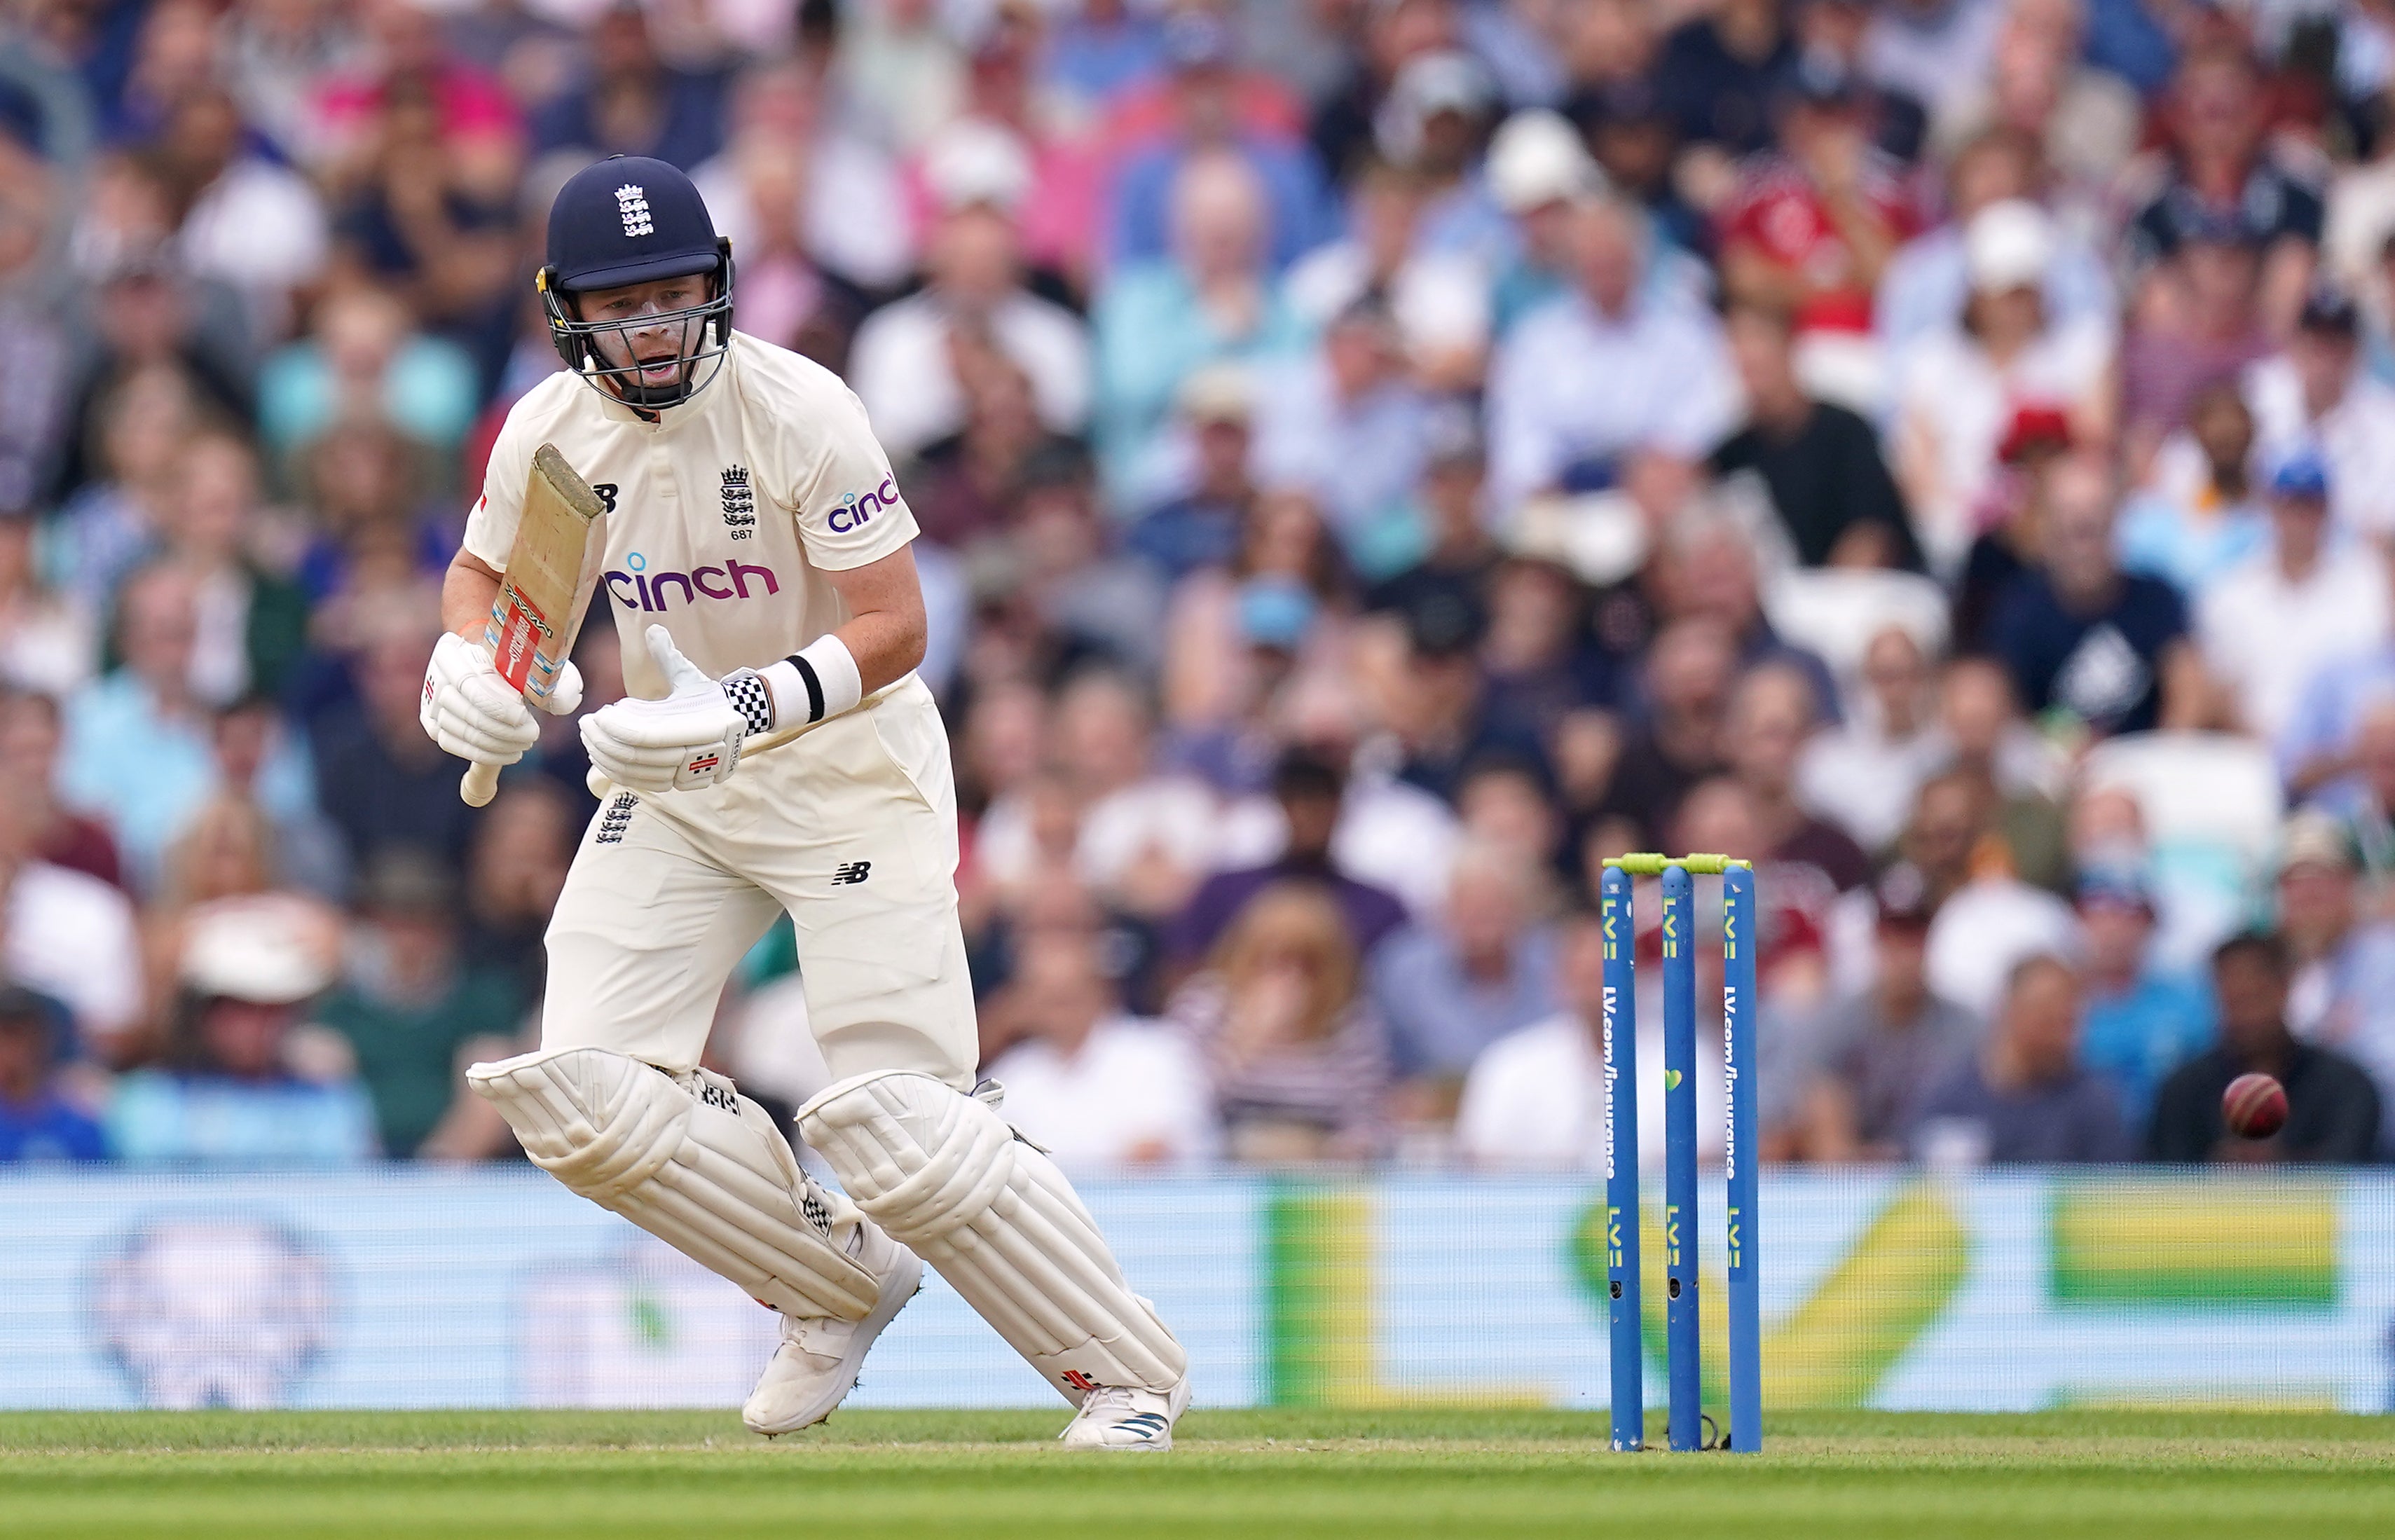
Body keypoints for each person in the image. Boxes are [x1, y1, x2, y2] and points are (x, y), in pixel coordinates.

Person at [420, 158, 1189, 1448]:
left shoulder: (799, 409)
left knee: (904, 1127)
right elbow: (496, 582)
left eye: (673, 295)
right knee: (587, 1098)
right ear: (567, 312)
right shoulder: (548, 430)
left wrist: (748, 706)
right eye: (622, 305)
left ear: (717, 287)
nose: (653, 327)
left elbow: (897, 626)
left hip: (845, 773)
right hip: (674, 784)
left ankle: (1125, 1376)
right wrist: (477, 661)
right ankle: (831, 1286)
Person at [106, 904, 375, 1165]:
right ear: (202, 1013)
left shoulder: (329, 1100)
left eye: (274, 1009)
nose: (259, 1026)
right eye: (241, 1008)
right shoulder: (150, 1100)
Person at [1167, 881, 1389, 1162]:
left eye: (1306, 963)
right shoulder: (1206, 1006)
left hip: (1315, 1175)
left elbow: (1368, 1117)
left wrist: (1347, 1148)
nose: (1289, 975)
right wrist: (1248, 1037)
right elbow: (1183, 1106)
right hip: (1223, 1167)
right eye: (1273, 959)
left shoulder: (1347, 1022)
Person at [982, 928, 1215, 1171]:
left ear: (1100, 989)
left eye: (1067, 996)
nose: (1058, 1013)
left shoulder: (1157, 1051)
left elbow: (1153, 1152)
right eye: (1046, 999)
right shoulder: (1014, 1073)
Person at [2147, 932, 2381, 1163]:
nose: (2246, 1016)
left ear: (2285, 988)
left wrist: (2284, 1167)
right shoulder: (2184, 1090)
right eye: (2234, 1002)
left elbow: (2353, 1167)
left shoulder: (2345, 1086)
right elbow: (2165, 1173)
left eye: (2255, 998)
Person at [1167, 748, 1408, 971]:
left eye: (1321, 800)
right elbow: (1181, 973)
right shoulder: (1224, 892)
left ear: (1340, 808)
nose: (1308, 815)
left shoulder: (1379, 908)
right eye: (1297, 800)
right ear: (1280, 806)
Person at [1799, 866, 1979, 1160]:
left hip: (1941, 1187)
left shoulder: (1966, 1028)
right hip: (1852, 1190)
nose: (1903, 953)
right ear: (1875, 939)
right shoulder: (1836, 1023)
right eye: (1892, 937)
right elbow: (1827, 1144)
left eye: (1913, 938)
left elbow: (1974, 1130)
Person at [1912, 953, 2131, 1163]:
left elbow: (2116, 1191)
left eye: (2070, 1022)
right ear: (2008, 1011)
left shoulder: (2093, 1104)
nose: (2064, 1038)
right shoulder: (1952, 1097)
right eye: (2048, 1019)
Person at [0, 985, 104, 1162]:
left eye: (22, 1034)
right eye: (5, 1035)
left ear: (45, 1039)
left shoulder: (78, 1125)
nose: (13, 1048)